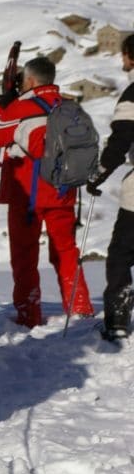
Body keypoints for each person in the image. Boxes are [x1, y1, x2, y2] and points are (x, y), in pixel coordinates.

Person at [0, 55, 95, 327]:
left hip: (27, 195)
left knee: (25, 256)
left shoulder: (21, 107)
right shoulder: (70, 107)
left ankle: (28, 313)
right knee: (66, 251)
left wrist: (0, 103)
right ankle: (79, 307)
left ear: (29, 80)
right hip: (64, 191)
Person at [86, 33, 134, 341]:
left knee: (120, 255)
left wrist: (98, 175)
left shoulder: (132, 95)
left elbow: (120, 143)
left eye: (124, 56)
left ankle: (117, 321)